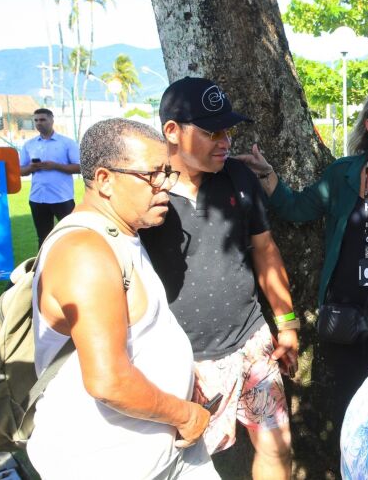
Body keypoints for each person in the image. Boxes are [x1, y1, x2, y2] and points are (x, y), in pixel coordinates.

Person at [241, 83, 368, 432]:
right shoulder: (342, 173)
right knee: (347, 405)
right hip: (342, 311)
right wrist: (267, 175)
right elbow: (297, 208)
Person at [27, 118, 217, 479]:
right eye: (153, 176)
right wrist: (185, 414)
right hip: (109, 463)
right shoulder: (85, 252)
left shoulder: (121, 234)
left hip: (161, 451)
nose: (164, 187)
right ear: (104, 180)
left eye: (167, 173)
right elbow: (108, 380)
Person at [139, 77, 298, 479]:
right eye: (213, 131)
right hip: (183, 361)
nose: (225, 141)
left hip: (253, 343)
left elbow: (265, 250)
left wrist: (287, 323)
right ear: (172, 131)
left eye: (228, 130)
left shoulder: (238, 178)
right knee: (186, 465)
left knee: (277, 446)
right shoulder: (144, 195)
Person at [18, 108, 81, 247]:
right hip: (37, 198)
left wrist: (55, 166)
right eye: (36, 120)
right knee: (43, 238)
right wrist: (31, 168)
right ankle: (43, 267)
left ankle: (72, 264)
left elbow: (79, 167)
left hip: (62, 198)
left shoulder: (67, 143)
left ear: (52, 120)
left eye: (42, 119)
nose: (39, 123)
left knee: (71, 236)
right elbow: (21, 171)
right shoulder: (29, 145)